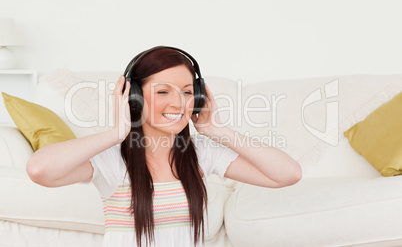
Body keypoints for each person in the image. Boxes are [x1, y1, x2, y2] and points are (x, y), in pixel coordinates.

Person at [26, 46, 302, 247]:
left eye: (186, 91)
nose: (178, 103)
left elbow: (288, 174)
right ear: (134, 98)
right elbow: (40, 170)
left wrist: (216, 129)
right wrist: (115, 133)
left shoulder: (202, 153)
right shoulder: (111, 159)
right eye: (162, 91)